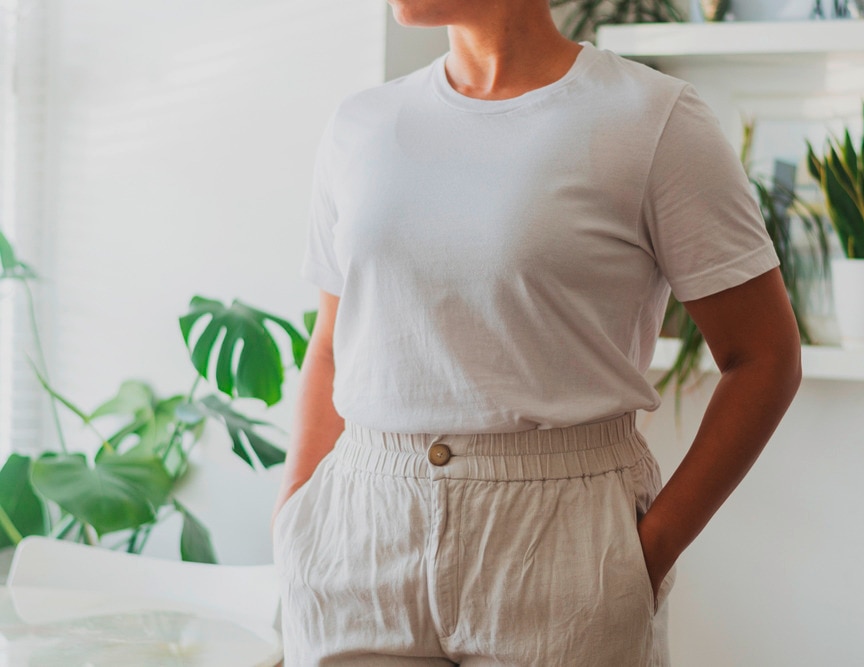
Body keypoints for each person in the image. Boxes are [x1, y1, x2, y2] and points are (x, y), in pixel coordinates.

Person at [271, 0, 802, 664]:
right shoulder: (360, 124)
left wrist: (643, 557)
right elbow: (331, 343)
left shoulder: (653, 119)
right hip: (357, 535)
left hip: (561, 544)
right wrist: (295, 514)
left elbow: (764, 356)